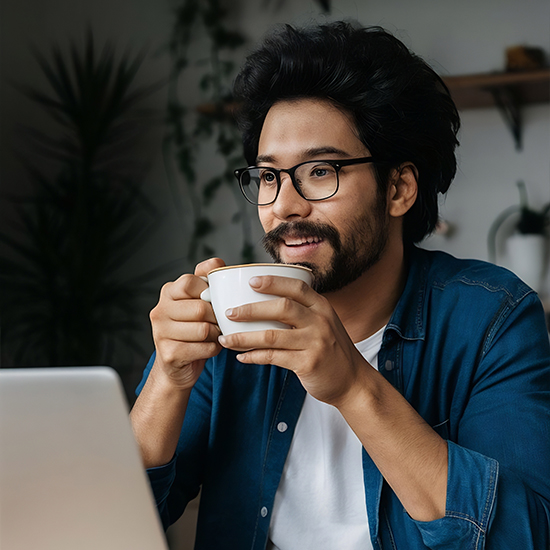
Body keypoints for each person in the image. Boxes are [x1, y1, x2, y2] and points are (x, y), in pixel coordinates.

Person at [130, 21, 550, 549]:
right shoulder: (230, 319)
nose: (284, 205)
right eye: (267, 176)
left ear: (399, 188)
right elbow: (111, 520)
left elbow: (523, 535)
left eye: (320, 171)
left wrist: (353, 385)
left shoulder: (491, 318)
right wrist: (168, 379)